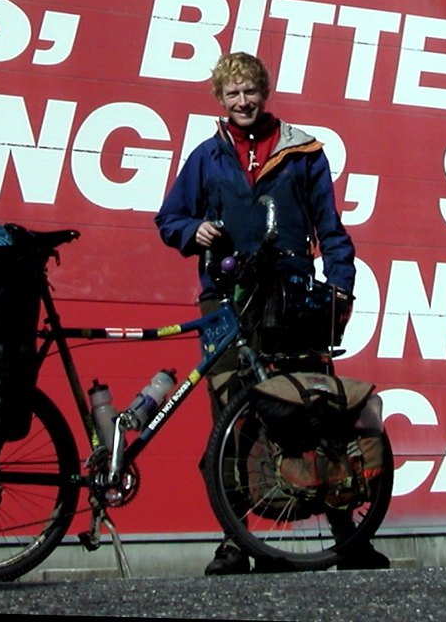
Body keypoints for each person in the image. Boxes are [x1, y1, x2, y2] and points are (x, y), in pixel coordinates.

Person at [155, 51, 388, 575]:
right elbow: (169, 219)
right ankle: (235, 542)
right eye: (232, 94)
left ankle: (346, 535)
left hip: (290, 297)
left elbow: (331, 228)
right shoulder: (206, 158)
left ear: (265, 92)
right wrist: (194, 231)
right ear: (220, 99)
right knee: (231, 421)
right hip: (226, 302)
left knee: (313, 412)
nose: (243, 102)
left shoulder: (303, 152)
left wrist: (342, 288)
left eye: (250, 91)